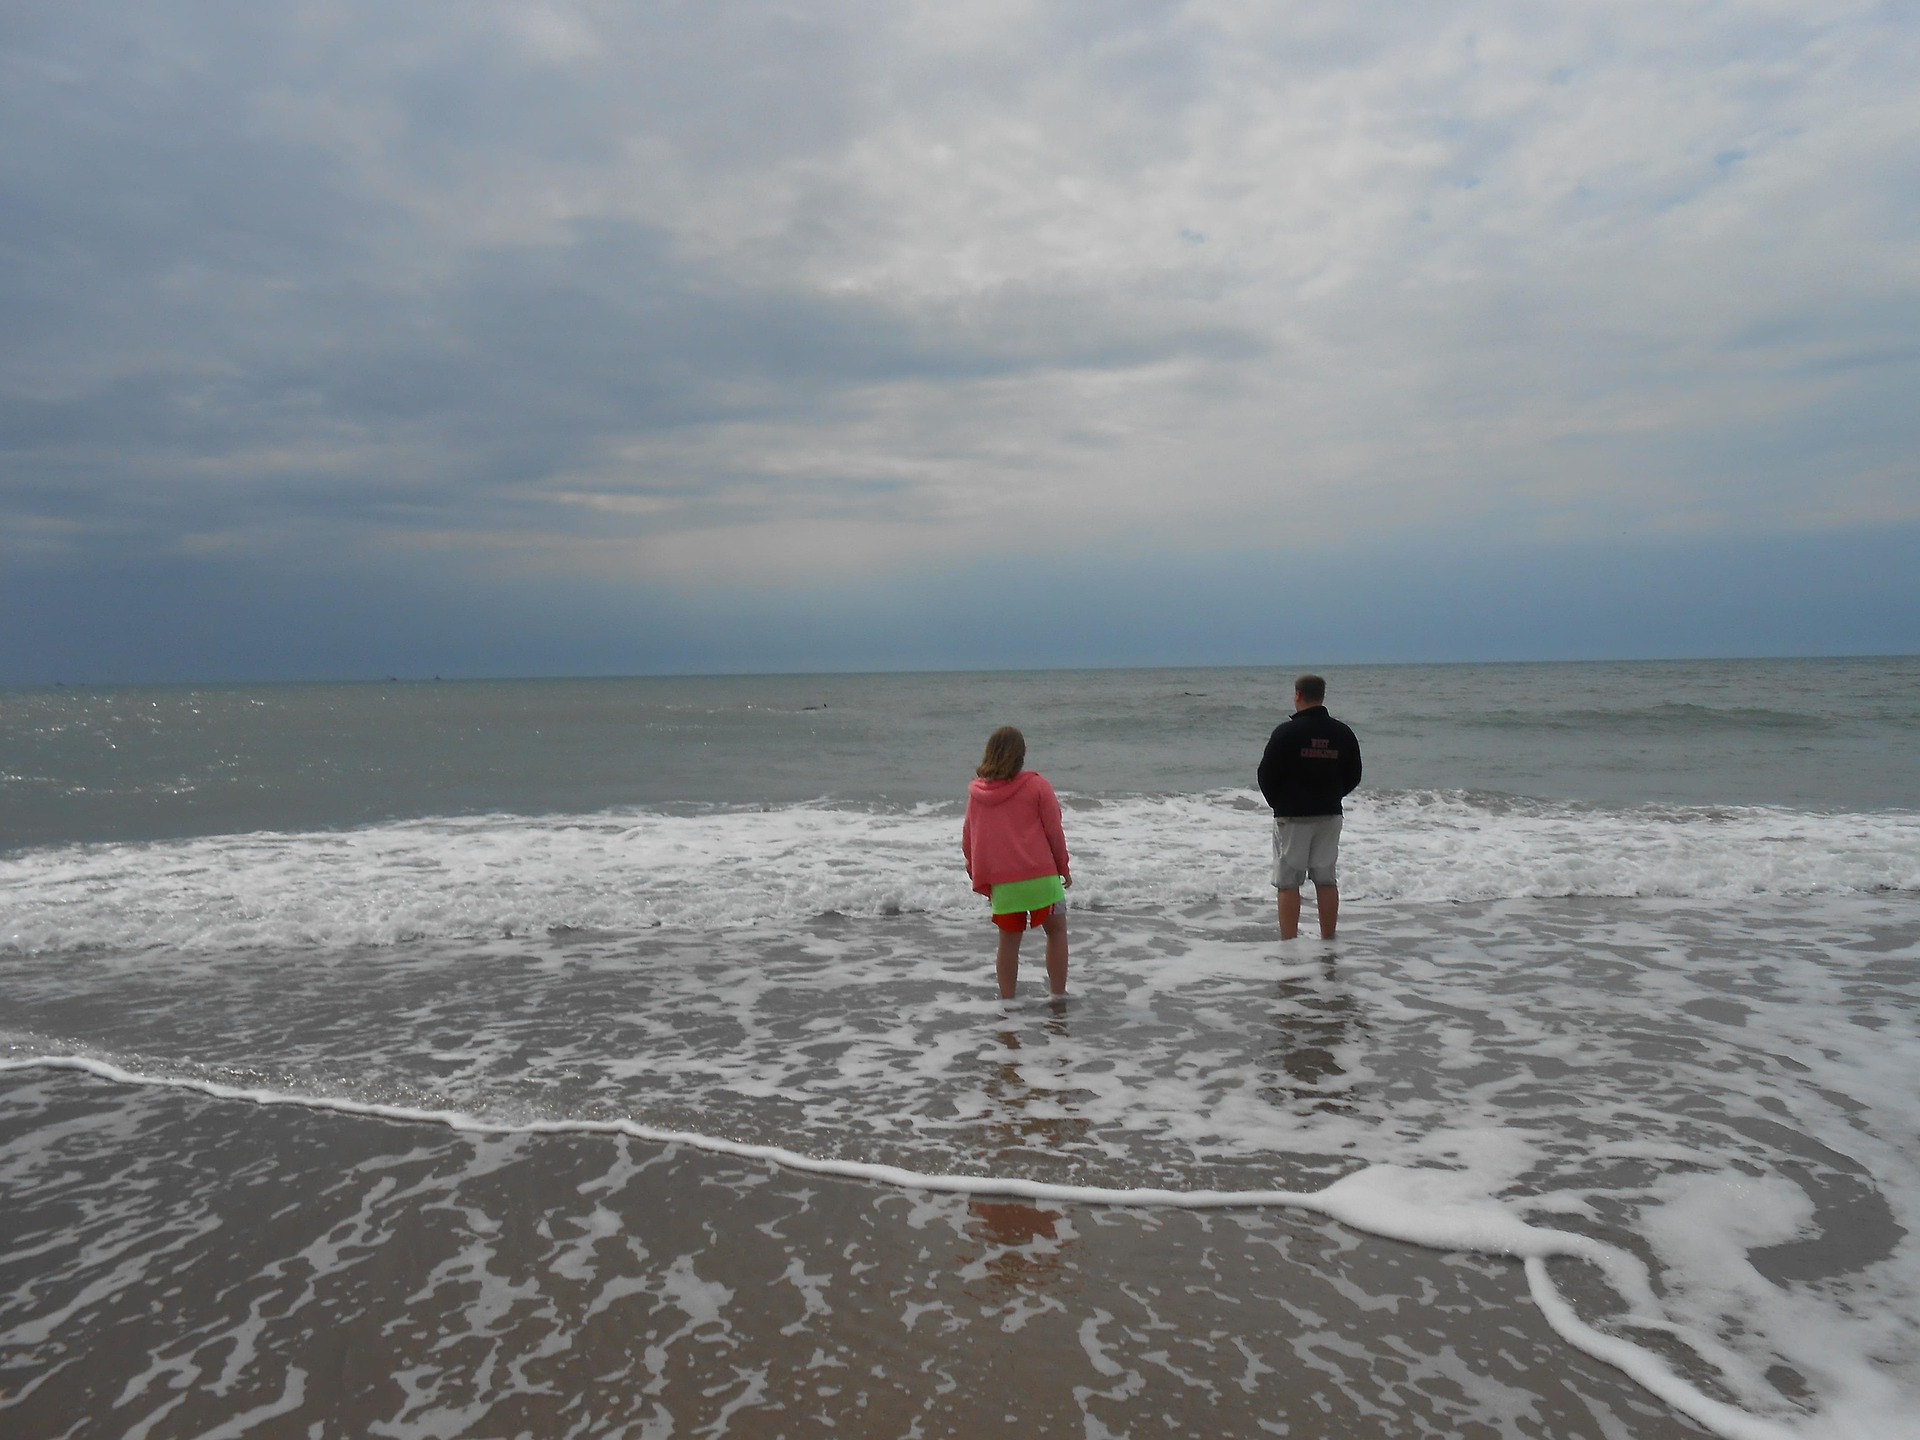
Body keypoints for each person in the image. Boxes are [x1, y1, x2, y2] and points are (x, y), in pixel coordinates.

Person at [962, 726, 1072, 999]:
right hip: (1042, 879)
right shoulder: (1037, 785)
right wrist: (1063, 867)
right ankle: (1058, 997)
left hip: (1005, 884)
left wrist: (978, 875)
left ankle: (1008, 1004)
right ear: (1021, 755)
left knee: (1008, 944)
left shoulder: (977, 795)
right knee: (1056, 932)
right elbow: (1053, 831)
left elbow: (969, 840)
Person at [1257, 674, 1362, 939]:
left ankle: (1289, 943)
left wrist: (1278, 803)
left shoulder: (1286, 733)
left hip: (1292, 816)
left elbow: (1266, 774)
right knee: (1326, 879)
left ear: (1298, 695)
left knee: (1288, 882)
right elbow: (1354, 774)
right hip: (1329, 813)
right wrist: (1334, 794)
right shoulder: (1342, 732)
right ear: (1322, 696)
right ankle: (1328, 940)